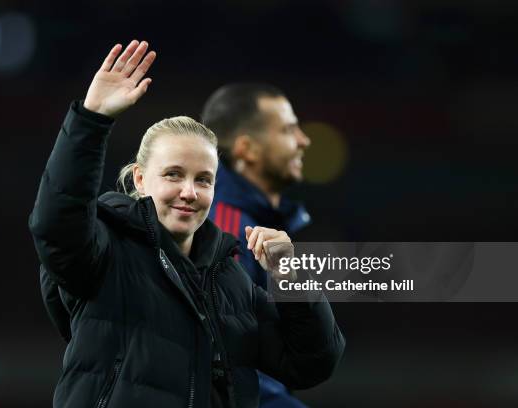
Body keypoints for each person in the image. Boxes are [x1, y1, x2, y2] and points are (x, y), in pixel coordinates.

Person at [29, 40, 345, 408]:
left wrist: (292, 279)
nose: (189, 192)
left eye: (203, 180)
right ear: (141, 179)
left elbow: (313, 363)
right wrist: (90, 120)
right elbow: (56, 225)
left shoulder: (232, 280)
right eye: (173, 175)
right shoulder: (107, 252)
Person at [202, 84, 316, 407]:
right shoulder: (227, 229)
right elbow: (226, 367)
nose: (303, 140)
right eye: (288, 129)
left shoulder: (250, 223)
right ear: (247, 149)